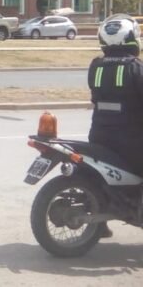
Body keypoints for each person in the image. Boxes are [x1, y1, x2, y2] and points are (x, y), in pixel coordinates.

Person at [87, 15, 143, 238]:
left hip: (99, 136)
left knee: (97, 177)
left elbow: (95, 98)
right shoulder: (135, 68)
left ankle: (99, 222)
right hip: (131, 141)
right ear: (131, 37)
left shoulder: (95, 67)